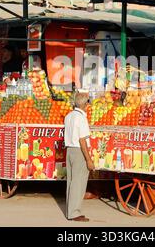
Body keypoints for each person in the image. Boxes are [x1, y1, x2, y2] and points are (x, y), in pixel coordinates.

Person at [64, 91, 94, 222]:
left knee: (71, 182)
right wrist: (88, 159)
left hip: (70, 150)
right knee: (78, 183)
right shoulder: (81, 118)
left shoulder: (69, 116)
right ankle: (74, 212)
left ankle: (70, 211)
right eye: (88, 103)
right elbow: (82, 141)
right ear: (85, 104)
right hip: (78, 151)